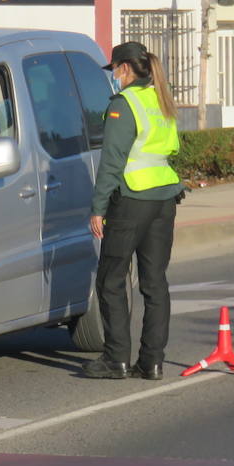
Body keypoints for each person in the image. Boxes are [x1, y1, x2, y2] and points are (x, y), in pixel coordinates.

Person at [81, 40, 185, 381]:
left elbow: (111, 162)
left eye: (114, 70)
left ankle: (116, 359)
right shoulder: (161, 100)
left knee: (110, 279)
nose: (113, 76)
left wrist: (98, 208)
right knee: (155, 282)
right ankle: (152, 361)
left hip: (131, 199)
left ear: (124, 68)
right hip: (164, 197)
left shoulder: (123, 104)